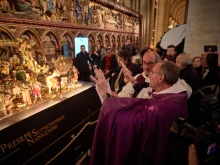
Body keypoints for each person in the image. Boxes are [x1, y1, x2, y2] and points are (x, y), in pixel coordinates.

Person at [90, 61, 189, 165]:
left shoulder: (162, 108)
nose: (149, 75)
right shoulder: (171, 96)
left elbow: (128, 124)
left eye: (153, 72)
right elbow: (140, 103)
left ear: (161, 78)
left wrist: (105, 95)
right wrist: (114, 99)